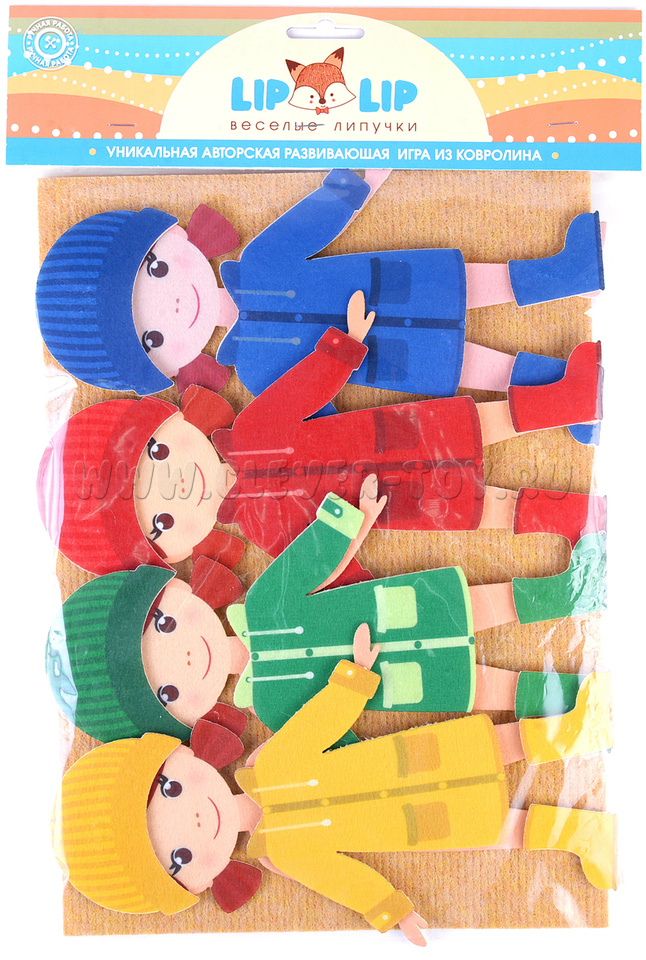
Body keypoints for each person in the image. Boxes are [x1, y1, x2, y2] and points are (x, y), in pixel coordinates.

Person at [54, 627, 617, 945]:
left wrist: (354, 676)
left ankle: (576, 730)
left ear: (179, 756)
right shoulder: (282, 853)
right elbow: (343, 880)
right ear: (195, 884)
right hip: (416, 825)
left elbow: (319, 724)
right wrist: (389, 908)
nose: (196, 821)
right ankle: (580, 834)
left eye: (170, 792)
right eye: (179, 856)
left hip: (410, 758)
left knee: (497, 743)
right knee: (502, 827)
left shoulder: (269, 763)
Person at [37, 294, 605, 584]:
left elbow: (302, 391)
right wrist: (358, 547)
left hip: (391, 435)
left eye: (158, 454)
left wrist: (343, 346)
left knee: (484, 423)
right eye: (161, 521)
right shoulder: (263, 529)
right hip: (397, 504)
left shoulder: (252, 429)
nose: (180, 486)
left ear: (173, 420)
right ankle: (574, 516)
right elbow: (325, 565)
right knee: (489, 507)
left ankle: (574, 400)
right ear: (176, 555)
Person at [37, 171, 603, 442]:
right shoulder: (255, 371)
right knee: (487, 371)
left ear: (174, 239)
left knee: (490, 282)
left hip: (399, 282)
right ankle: (569, 396)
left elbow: (315, 220)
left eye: (156, 270)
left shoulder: (260, 260)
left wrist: (360, 176)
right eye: (153, 338)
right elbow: (320, 415)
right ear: (166, 369)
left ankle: (573, 272)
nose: (176, 306)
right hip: (396, 360)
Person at [45, 485, 608, 750]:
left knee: (497, 602)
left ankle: (579, 589)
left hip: (405, 606)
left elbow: (313, 561)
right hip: (406, 682)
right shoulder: (271, 706)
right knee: (491, 689)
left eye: (164, 627)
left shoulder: (262, 602)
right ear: (184, 719)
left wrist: (352, 520)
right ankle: (576, 703)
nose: (188, 657)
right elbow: (334, 741)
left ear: (175, 592)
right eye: (168, 690)